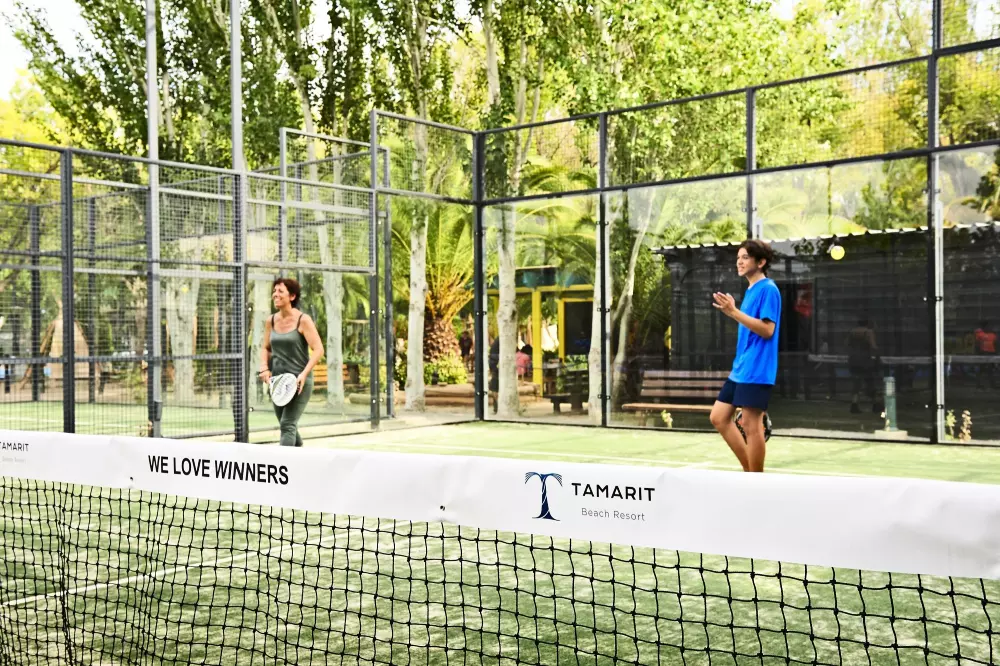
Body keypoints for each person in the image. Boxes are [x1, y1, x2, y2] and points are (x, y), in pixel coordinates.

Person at [709, 240, 781, 473]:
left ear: (761, 262)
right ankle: (749, 472)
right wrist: (734, 312)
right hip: (741, 368)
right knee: (719, 417)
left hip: (757, 369)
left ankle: (755, 480)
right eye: (738, 257)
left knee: (751, 425)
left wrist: (734, 312)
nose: (739, 262)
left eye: (745, 257)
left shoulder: (768, 289)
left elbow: (768, 330)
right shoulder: (751, 290)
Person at [257, 277, 324, 447]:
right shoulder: (271, 321)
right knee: (287, 424)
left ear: (292, 296)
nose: (275, 294)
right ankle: (301, 454)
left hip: (299, 382)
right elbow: (266, 348)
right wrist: (264, 368)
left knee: (287, 424)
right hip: (278, 382)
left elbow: (318, 350)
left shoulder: (303, 320)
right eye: (274, 291)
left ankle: (282, 462)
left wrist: (304, 374)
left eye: (280, 291)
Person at [847, 316, 879, 413]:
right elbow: (873, 346)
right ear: (867, 323)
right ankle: (875, 404)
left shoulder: (852, 332)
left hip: (853, 359)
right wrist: (876, 356)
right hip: (865, 360)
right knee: (870, 382)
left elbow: (847, 343)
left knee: (856, 383)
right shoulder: (868, 332)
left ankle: (854, 404)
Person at [974, 320, 998, 388]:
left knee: (990, 370)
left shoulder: (992, 335)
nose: (990, 327)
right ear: (984, 327)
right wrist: (978, 354)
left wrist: (996, 354)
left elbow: (996, 345)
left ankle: (992, 384)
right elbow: (977, 345)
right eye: (988, 326)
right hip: (983, 354)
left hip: (991, 354)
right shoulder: (979, 334)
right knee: (981, 370)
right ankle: (979, 384)